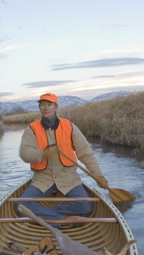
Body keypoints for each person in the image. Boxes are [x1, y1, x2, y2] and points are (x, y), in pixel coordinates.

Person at [17, 93, 105, 221]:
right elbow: (24, 154)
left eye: (49, 104)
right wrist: (43, 153)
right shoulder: (31, 128)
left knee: (86, 206)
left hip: (68, 178)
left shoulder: (69, 126)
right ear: (39, 108)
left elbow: (86, 154)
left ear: (56, 107)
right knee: (20, 205)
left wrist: (98, 176)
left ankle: (48, 216)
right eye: (42, 105)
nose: (45, 108)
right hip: (42, 179)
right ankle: (63, 218)